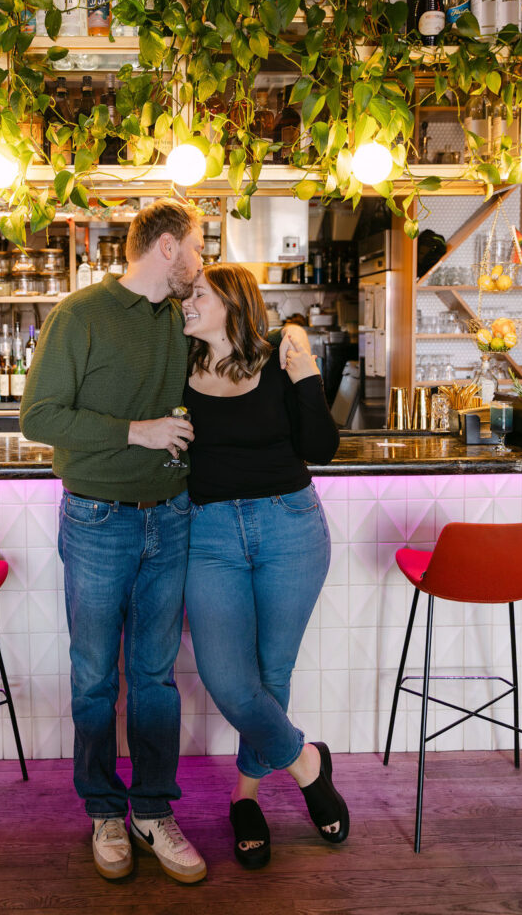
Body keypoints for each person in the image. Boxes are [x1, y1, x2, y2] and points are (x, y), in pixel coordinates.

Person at [19, 198, 208, 884]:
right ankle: (104, 810)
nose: (201, 259)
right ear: (165, 247)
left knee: (155, 678)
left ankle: (153, 811)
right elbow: (37, 416)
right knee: (97, 676)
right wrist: (138, 431)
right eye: (197, 245)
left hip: (172, 514)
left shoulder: (183, 319)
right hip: (98, 519)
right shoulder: (80, 315)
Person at [181, 264, 346, 869]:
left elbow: (322, 449)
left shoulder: (283, 353)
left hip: (291, 525)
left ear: (232, 302)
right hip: (210, 534)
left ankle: (245, 796)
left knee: (272, 676)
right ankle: (307, 764)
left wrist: (306, 375)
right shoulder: (176, 363)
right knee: (229, 680)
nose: (187, 301)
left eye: (198, 294)